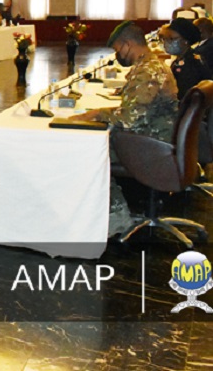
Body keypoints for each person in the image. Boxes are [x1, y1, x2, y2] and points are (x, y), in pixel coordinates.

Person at [70, 21, 179, 237]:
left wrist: (96, 114)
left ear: (128, 45)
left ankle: (117, 218)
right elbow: (135, 110)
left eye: (118, 49)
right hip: (157, 137)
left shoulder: (148, 71)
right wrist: (100, 112)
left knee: (90, 151)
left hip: (152, 144)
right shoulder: (150, 65)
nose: (117, 54)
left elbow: (129, 118)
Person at [160, 17, 210, 100]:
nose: (166, 43)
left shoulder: (192, 64)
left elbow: (183, 96)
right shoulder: (181, 59)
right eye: (164, 39)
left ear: (185, 41)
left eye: (171, 38)